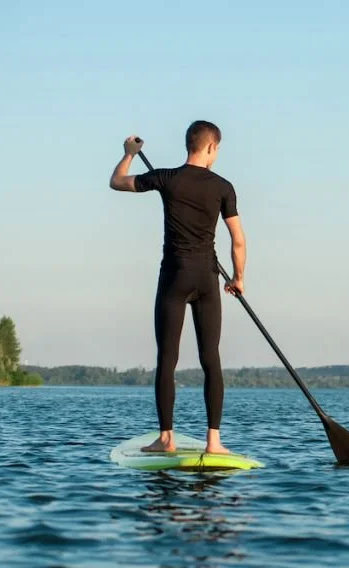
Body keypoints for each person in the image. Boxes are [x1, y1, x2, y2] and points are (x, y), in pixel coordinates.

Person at [108, 120, 246, 454]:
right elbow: (238, 241)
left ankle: (166, 439)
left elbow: (117, 182)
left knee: (167, 358)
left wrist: (129, 154)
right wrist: (238, 278)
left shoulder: (167, 178)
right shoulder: (224, 187)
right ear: (211, 147)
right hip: (208, 278)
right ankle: (214, 442)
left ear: (189, 145)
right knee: (211, 359)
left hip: (174, 277)